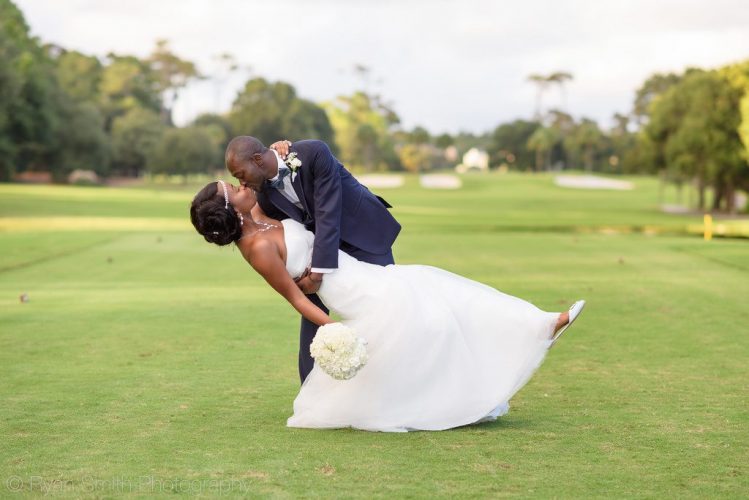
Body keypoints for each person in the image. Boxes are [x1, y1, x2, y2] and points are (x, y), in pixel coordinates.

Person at [190, 180, 586, 432]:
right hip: (348, 291)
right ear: (231, 207)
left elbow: (273, 181)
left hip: (361, 273)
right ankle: (536, 328)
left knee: (439, 293)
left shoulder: (258, 215)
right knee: (434, 311)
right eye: (234, 187)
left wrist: (280, 151)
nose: (242, 184)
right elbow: (295, 297)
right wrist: (332, 327)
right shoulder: (258, 248)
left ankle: (538, 324)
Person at [224, 137, 400, 383]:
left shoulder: (314, 153)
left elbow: (328, 213)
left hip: (363, 231)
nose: (241, 182)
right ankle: (309, 389)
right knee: (312, 315)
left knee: (387, 303)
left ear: (257, 159)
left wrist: (317, 273)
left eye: (241, 174)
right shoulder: (263, 196)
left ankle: (390, 376)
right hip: (318, 250)